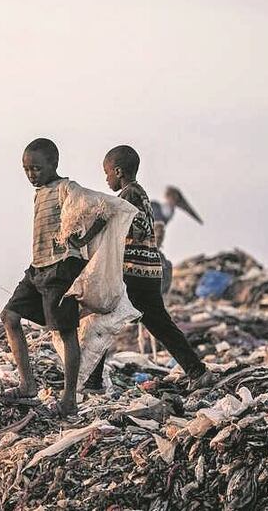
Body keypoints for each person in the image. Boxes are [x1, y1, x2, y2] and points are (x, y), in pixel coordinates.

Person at [0, 138, 103, 417]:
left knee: (65, 331)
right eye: (26, 169)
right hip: (38, 268)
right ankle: (27, 384)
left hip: (61, 269)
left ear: (53, 164)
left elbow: (99, 210)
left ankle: (69, 399)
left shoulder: (66, 188)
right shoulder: (40, 192)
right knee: (9, 316)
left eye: (36, 168)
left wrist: (86, 237)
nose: (31, 174)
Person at [88, 145, 206, 385]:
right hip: (149, 273)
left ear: (118, 172)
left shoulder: (129, 195)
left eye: (107, 172)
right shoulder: (140, 195)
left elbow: (132, 229)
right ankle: (198, 371)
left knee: (101, 322)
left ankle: (92, 382)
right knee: (161, 326)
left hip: (132, 274)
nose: (106, 178)